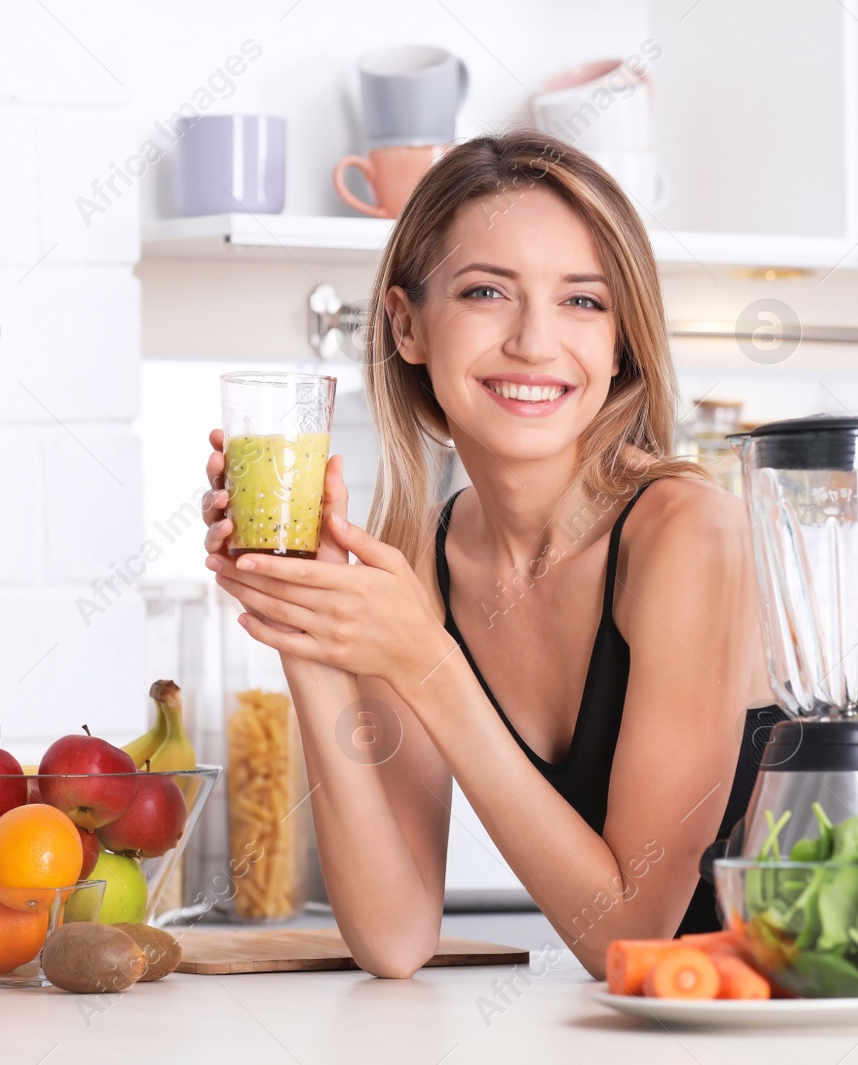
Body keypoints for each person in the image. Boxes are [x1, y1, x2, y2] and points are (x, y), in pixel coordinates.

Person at [201, 130, 779, 980]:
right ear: (407, 325)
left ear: (621, 341)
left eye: (583, 301)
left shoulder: (690, 534)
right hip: (653, 1035)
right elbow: (395, 937)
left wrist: (425, 660)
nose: (536, 343)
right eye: (486, 292)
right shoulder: (422, 563)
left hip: (829, 1019)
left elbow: (632, 934)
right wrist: (311, 633)